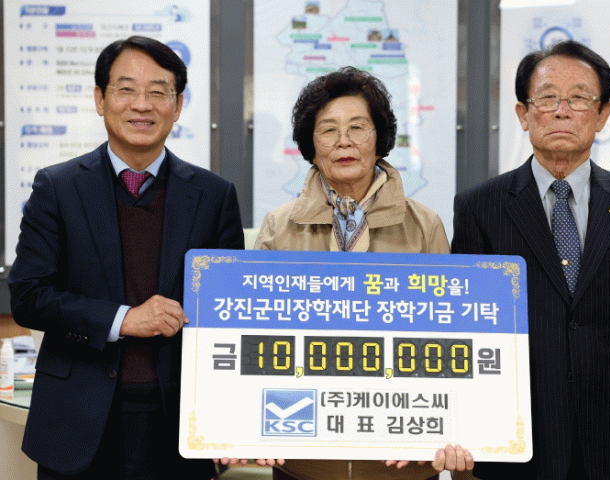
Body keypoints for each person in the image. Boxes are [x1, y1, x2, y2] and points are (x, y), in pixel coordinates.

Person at [452, 40, 610, 480]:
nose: (562, 111)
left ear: (602, 115)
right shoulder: (480, 208)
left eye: (579, 98)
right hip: (518, 437)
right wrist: (466, 429)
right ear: (523, 114)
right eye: (547, 98)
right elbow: (467, 330)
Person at [9, 36, 244, 480]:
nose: (142, 105)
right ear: (100, 99)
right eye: (126, 89)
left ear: (177, 105)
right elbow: (28, 296)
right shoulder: (57, 188)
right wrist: (124, 319)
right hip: (76, 421)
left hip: (180, 427)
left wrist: (231, 419)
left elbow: (230, 315)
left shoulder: (214, 196)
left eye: (158, 91)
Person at [231, 66, 471, 479]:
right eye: (328, 129)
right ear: (311, 145)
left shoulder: (424, 225)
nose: (344, 141)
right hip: (303, 462)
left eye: (358, 127)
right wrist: (250, 425)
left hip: (402, 463)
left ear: (380, 139)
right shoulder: (279, 226)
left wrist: (453, 433)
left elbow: (450, 342)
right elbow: (255, 338)